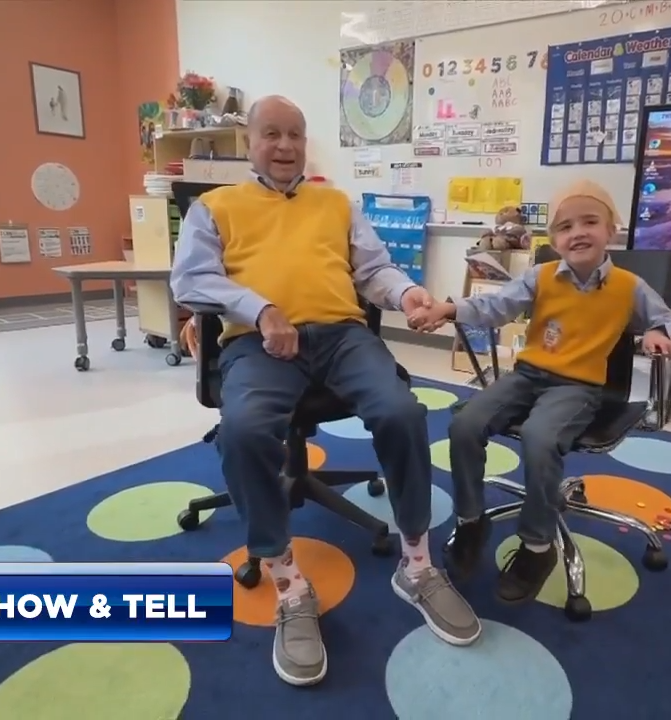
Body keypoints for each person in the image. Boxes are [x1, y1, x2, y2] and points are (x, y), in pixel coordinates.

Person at [169, 96, 480, 687]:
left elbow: (373, 270)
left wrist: (406, 293)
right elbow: (191, 280)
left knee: (401, 412)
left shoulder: (336, 203)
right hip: (259, 342)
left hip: (341, 335)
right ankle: (289, 584)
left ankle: (417, 565)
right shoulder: (215, 207)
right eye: (271, 134)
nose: (284, 145)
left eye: (295, 134)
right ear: (250, 142)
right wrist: (260, 309)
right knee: (243, 431)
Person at [408, 179, 671, 605]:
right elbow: (495, 306)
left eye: (590, 221)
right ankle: (471, 520)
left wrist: (658, 332)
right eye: (565, 226)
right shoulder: (541, 276)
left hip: (579, 387)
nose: (577, 233)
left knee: (540, 437)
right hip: (528, 375)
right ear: (553, 238)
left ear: (611, 229)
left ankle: (538, 547)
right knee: (465, 423)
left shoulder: (630, 286)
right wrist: (449, 308)